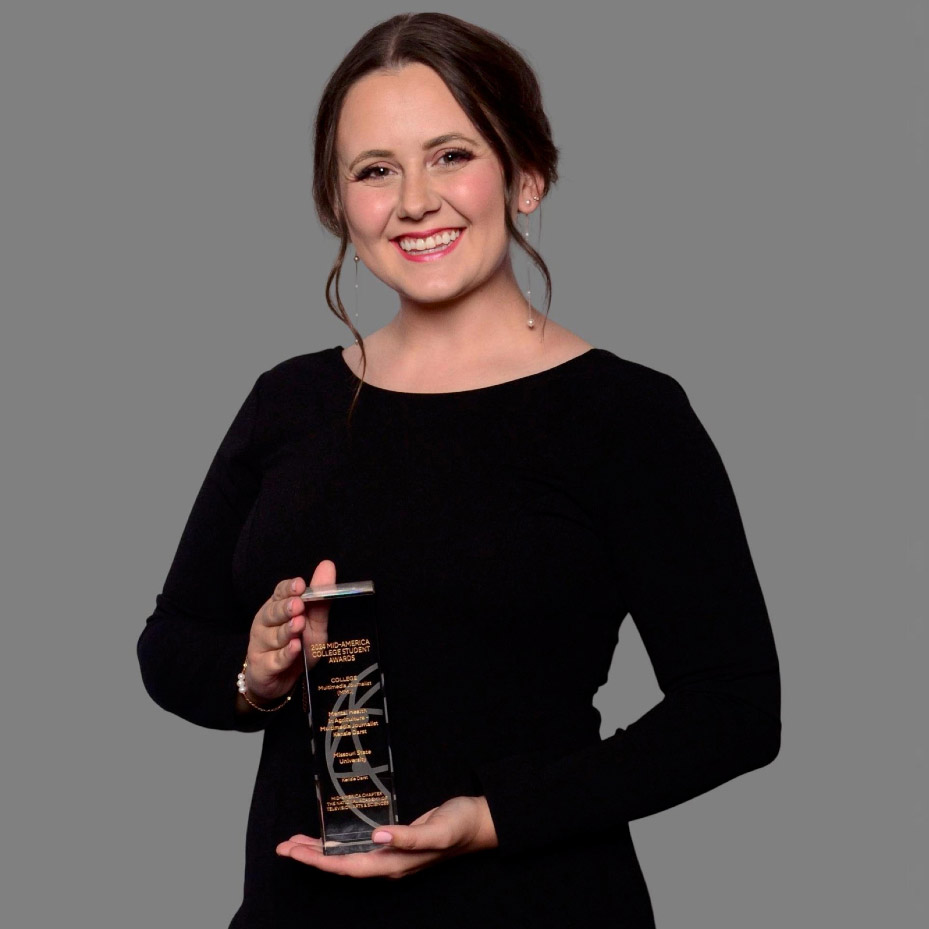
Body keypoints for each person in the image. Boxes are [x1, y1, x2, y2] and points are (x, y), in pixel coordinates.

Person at [138, 12, 780, 928]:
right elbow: (170, 643)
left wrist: (495, 819)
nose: (413, 201)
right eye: (374, 170)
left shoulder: (628, 415)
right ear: (338, 203)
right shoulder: (287, 401)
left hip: (539, 907)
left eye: (450, 155)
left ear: (525, 175)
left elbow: (735, 709)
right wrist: (253, 674)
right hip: (294, 911)